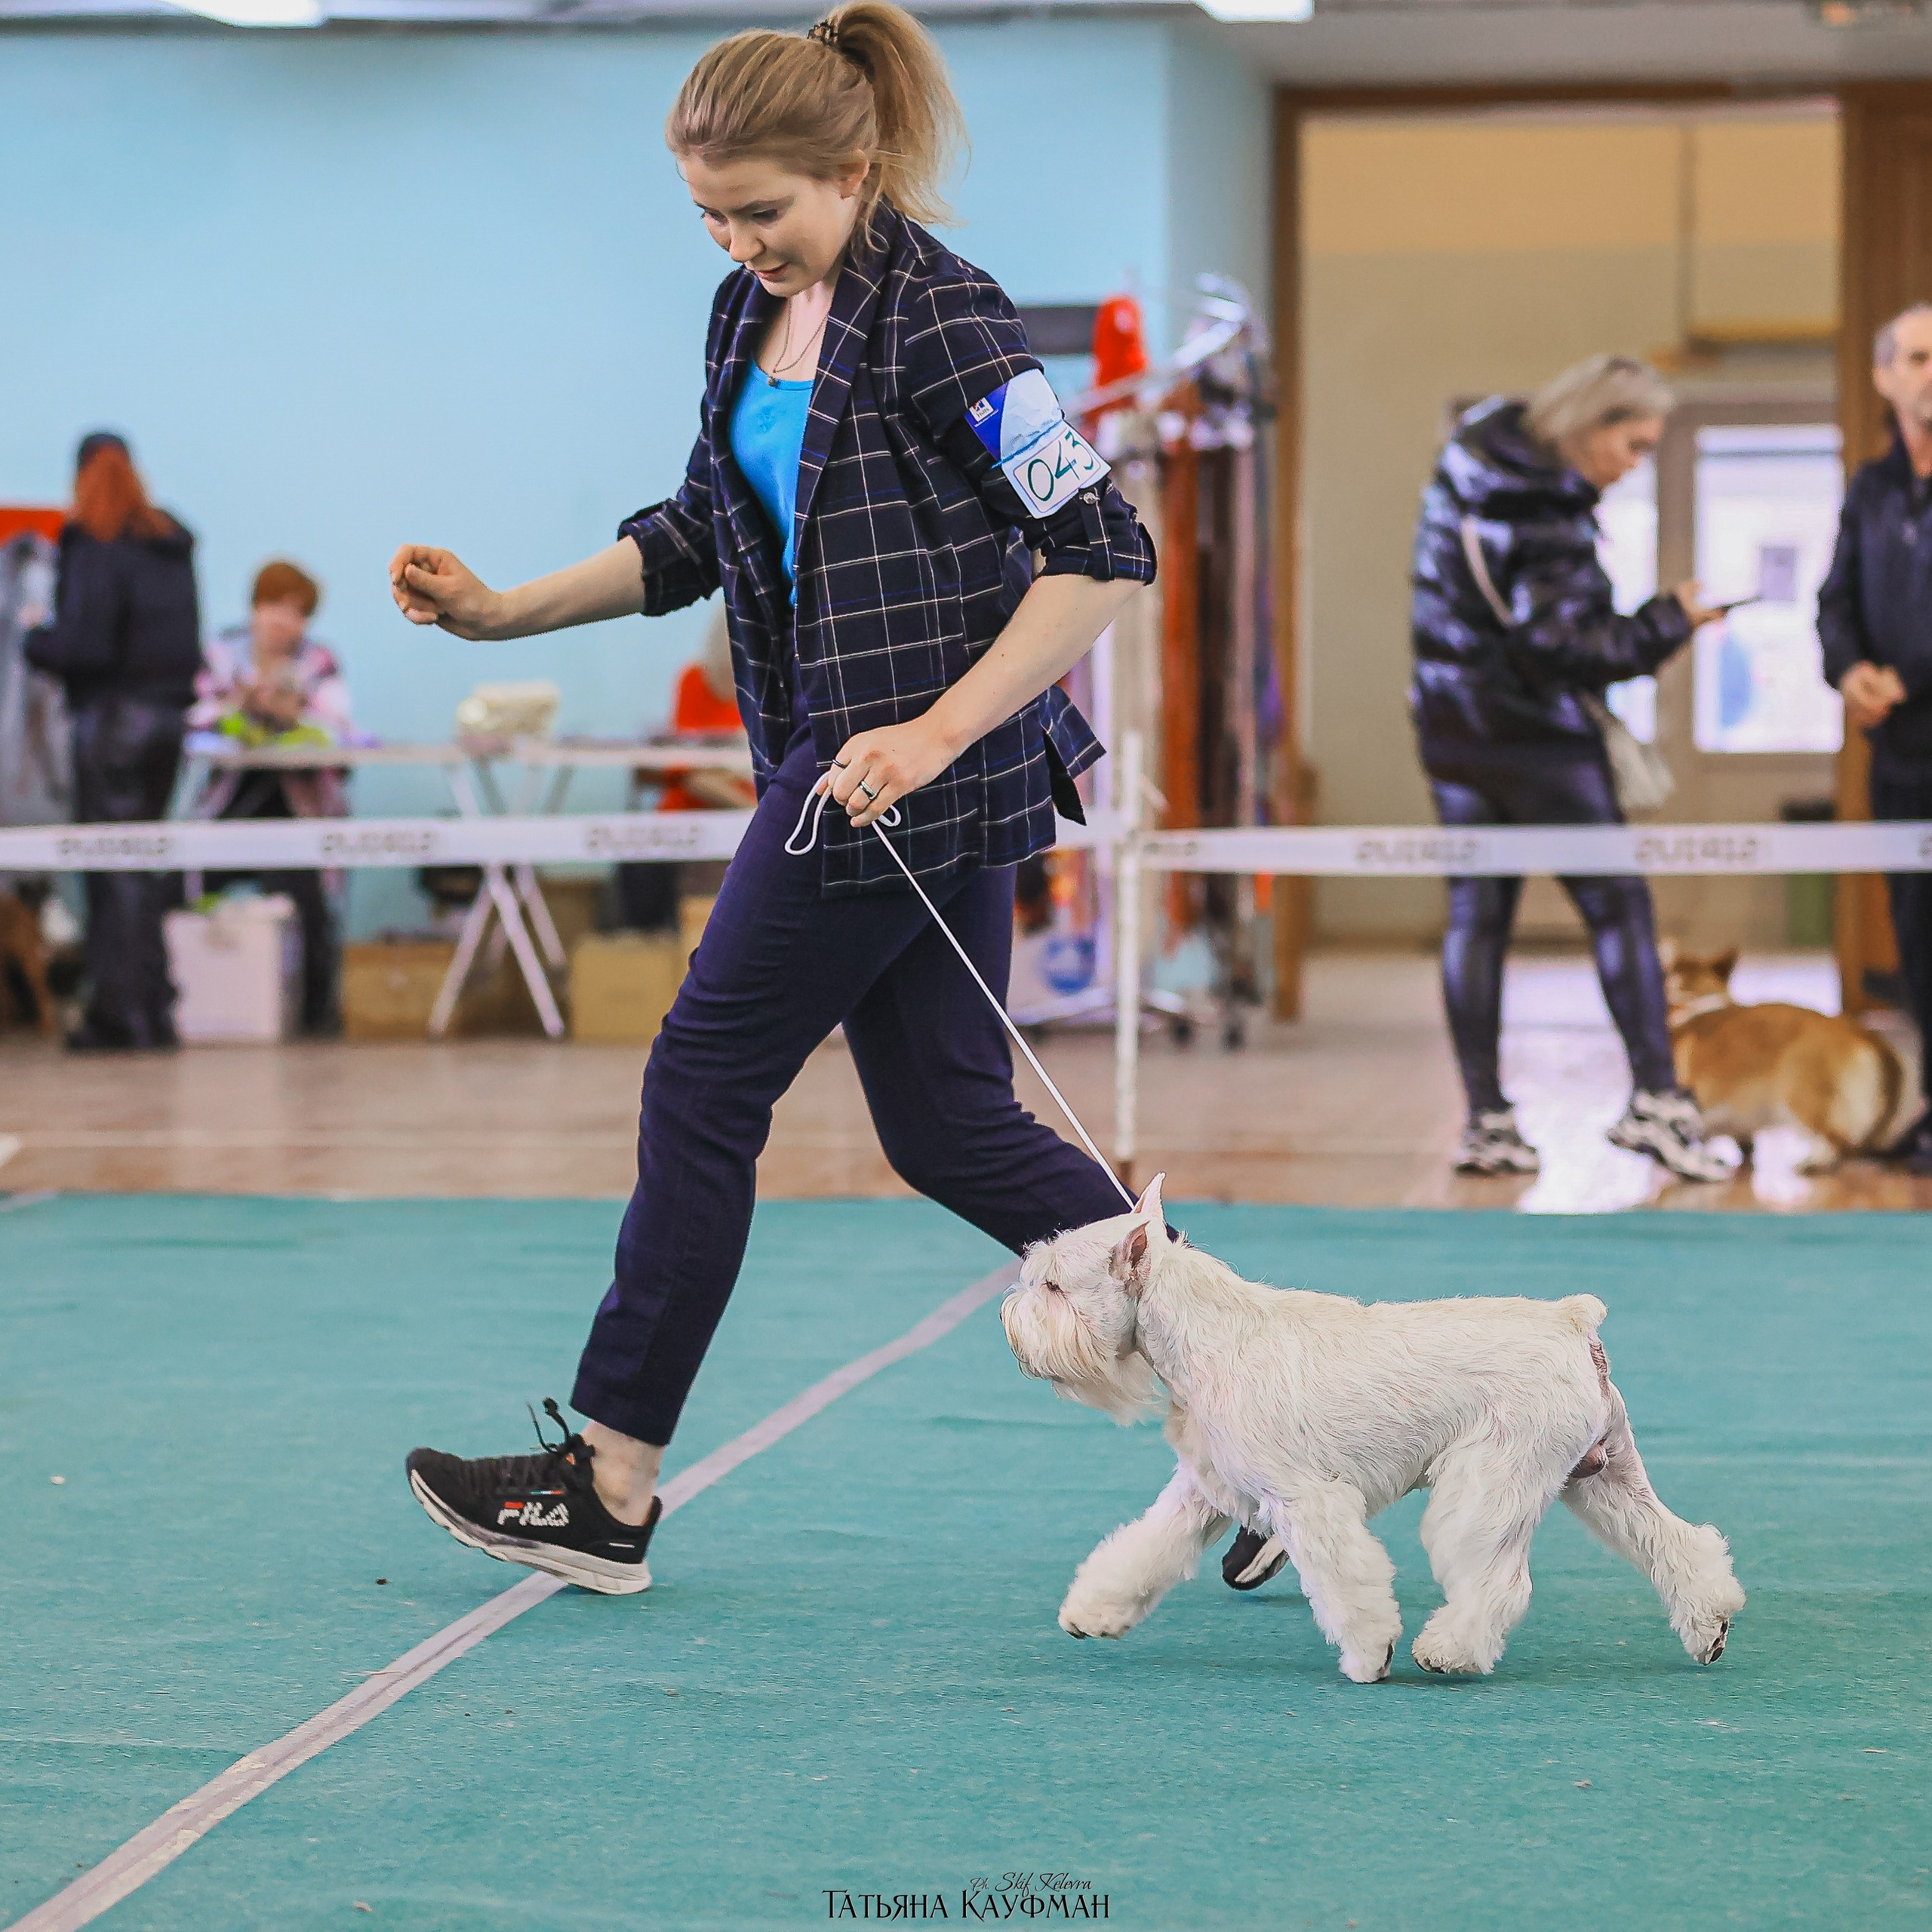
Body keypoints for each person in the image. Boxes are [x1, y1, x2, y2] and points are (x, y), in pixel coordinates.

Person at [389, 2, 1157, 1595]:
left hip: (889, 775)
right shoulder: (745, 321)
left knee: (699, 1074)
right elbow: (696, 532)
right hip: (849, 764)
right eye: (709, 215)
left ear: (854, 168)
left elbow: (1102, 550)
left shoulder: (946, 315)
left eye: (764, 210)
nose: (739, 242)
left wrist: (936, 731)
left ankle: (606, 1477)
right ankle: (1264, 1426)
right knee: (950, 1125)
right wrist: (502, 609)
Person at [1410, 355, 1732, 1181]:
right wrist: (1671, 619)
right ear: (1589, 426)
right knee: (1618, 903)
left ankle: (1486, 1121)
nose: (1634, 464)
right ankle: (1659, 1102)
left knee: (1475, 917)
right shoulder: (1544, 506)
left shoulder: (1471, 463)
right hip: (1537, 737)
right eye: (1632, 444)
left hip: (1450, 727)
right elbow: (1561, 647)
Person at [24, 432, 202, 1052]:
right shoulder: (170, 545)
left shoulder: (92, 542)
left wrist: (34, 639)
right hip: (167, 726)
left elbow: (87, 647)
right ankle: (153, 1009)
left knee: (112, 870)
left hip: (114, 724)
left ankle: (121, 1018)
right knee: (144, 866)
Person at [1817, 300, 1932, 1177]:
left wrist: (1912, 679)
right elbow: (1836, 602)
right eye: (1920, 358)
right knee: (1917, 937)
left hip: (1916, 709)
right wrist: (1849, 669)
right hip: (1899, 759)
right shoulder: (1870, 488)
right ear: (1885, 376)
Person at [190, 559, 353, 1035]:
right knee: (180, 887)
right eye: (273, 606)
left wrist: (294, 712)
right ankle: (193, 1006)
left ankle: (318, 1018)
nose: (283, 620)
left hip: (295, 813)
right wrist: (238, 708)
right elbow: (195, 722)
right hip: (229, 807)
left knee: (313, 908)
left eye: (296, 611)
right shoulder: (221, 653)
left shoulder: (319, 661)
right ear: (254, 609)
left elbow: (338, 733)